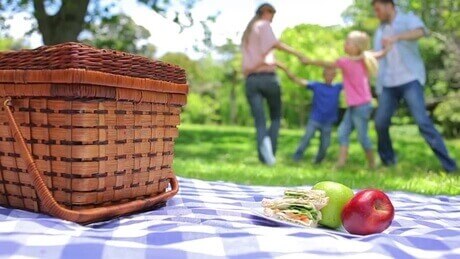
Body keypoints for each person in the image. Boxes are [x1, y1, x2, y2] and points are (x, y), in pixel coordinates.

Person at [372, 0, 458, 172]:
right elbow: (378, 56)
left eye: (378, 9)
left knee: (422, 122)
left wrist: (396, 37)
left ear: (389, 5)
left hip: (410, 79)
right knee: (380, 123)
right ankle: (388, 163)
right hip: (388, 83)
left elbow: (421, 31)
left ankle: (450, 166)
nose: (377, 13)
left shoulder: (406, 19)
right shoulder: (379, 31)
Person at [302, 31, 389, 169]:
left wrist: (388, 45)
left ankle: (372, 164)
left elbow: (380, 54)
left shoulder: (364, 60)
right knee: (342, 132)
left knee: (362, 136)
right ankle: (340, 164)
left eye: (348, 42)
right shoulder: (344, 62)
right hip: (353, 106)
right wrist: (310, 61)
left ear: (357, 46)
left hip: (363, 105)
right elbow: (327, 63)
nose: (345, 44)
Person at [241, 3, 307, 165]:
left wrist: (282, 66)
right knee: (276, 117)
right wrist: (297, 53)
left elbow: (262, 57)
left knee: (260, 122)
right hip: (268, 79)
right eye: (272, 14)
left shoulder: (247, 33)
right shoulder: (263, 25)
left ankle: (265, 157)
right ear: (265, 12)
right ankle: (271, 156)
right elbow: (274, 44)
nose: (272, 18)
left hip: (251, 80)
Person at [277, 63, 342, 164]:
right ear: (323, 75)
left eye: (331, 74)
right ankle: (296, 158)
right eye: (327, 74)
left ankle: (318, 161)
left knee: (325, 145)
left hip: (328, 122)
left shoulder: (338, 87)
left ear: (335, 76)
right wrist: (285, 69)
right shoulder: (317, 86)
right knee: (306, 139)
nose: (329, 76)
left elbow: (353, 80)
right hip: (315, 119)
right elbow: (298, 81)